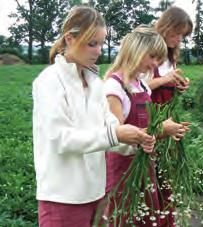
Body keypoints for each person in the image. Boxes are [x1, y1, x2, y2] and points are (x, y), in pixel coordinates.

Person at [32, 6, 155, 227]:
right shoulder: (50, 81)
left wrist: (135, 140)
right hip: (63, 198)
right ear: (69, 39)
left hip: (95, 194)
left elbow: (109, 127)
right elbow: (62, 138)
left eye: (101, 43)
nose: (98, 50)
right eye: (92, 43)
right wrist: (115, 134)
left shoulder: (95, 84)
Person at [103, 25, 188, 227]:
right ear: (135, 51)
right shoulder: (113, 87)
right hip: (123, 167)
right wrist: (161, 130)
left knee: (148, 217)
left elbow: (148, 128)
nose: (154, 64)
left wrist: (165, 127)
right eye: (152, 57)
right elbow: (118, 137)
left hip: (145, 163)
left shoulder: (141, 85)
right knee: (123, 218)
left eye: (158, 59)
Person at [145, 7, 193, 226]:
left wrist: (178, 86)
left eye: (182, 36)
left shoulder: (170, 57)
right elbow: (138, 86)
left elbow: (166, 85)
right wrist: (165, 80)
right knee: (149, 180)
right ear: (166, 27)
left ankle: (167, 221)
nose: (178, 39)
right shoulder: (148, 49)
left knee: (167, 179)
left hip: (168, 120)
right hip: (150, 121)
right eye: (177, 33)